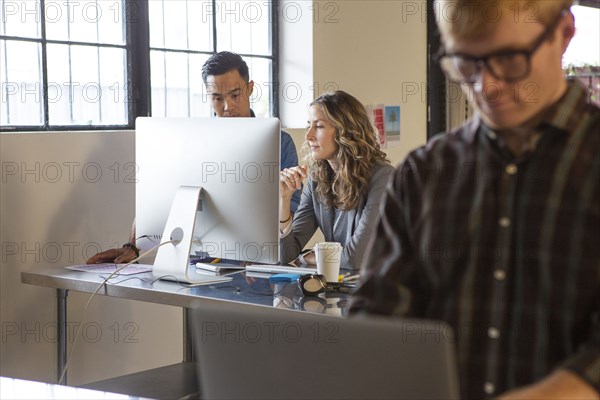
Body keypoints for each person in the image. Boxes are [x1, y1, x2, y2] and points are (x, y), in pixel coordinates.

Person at [350, 1, 600, 399]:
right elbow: (379, 321)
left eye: (509, 58)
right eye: (467, 64)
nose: (488, 86)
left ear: (563, 33)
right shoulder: (423, 173)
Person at [87, 51, 300, 264]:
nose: (227, 107)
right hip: (199, 266)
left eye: (235, 95)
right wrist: (133, 246)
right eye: (217, 98)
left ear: (250, 88)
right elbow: (159, 196)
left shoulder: (279, 142)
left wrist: (261, 249)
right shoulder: (192, 141)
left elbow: (290, 211)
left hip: (257, 267)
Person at [279, 90, 394, 271]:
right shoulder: (318, 179)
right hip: (339, 288)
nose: (308, 135)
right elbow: (286, 254)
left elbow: (354, 259)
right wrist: (284, 199)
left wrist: (310, 256)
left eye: (319, 126)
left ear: (345, 131)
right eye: (309, 125)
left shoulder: (384, 177)